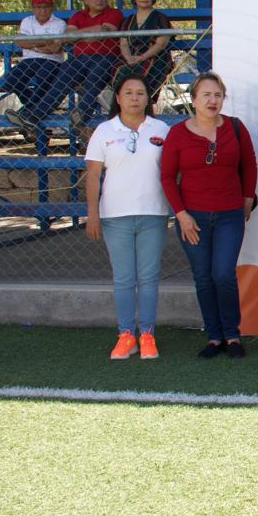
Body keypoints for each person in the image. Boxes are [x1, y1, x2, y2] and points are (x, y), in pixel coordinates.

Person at [160, 72, 258, 359]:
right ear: (194, 99)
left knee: (224, 274)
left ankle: (232, 334)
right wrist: (181, 214)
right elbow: (167, 177)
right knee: (203, 277)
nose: (212, 100)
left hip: (229, 215)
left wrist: (248, 199)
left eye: (217, 95)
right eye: (206, 95)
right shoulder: (177, 134)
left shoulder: (236, 128)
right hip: (193, 219)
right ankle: (214, 336)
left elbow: (249, 164)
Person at [84, 74, 171, 361]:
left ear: (149, 98)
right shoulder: (104, 131)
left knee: (148, 279)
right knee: (123, 279)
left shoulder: (161, 129)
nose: (135, 98)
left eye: (141, 93)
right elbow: (94, 175)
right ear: (118, 98)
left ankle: (146, 334)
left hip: (153, 214)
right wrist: (93, 214)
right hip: (115, 216)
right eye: (129, 93)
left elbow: (172, 173)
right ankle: (125, 336)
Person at [15, 0, 124, 134]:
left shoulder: (114, 13)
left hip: (105, 56)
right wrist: (88, 34)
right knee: (59, 83)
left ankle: (81, 115)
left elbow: (103, 31)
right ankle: (32, 117)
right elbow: (70, 36)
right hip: (79, 58)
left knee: (95, 79)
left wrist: (79, 35)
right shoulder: (78, 15)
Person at [3, 0, 67, 134]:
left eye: (45, 6)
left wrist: (32, 43)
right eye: (38, 7)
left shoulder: (59, 23)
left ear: (52, 7)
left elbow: (55, 48)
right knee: (10, 80)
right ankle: (32, 109)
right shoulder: (27, 21)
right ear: (33, 8)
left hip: (51, 61)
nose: (42, 10)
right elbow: (20, 42)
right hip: (29, 60)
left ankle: (27, 112)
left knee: (44, 77)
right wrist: (43, 43)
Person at [117, 0, 173, 110]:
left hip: (154, 55)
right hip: (132, 56)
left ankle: (144, 105)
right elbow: (124, 42)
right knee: (120, 70)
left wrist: (142, 57)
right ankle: (121, 103)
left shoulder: (160, 17)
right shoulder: (129, 20)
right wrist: (128, 57)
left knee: (145, 72)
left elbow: (161, 43)